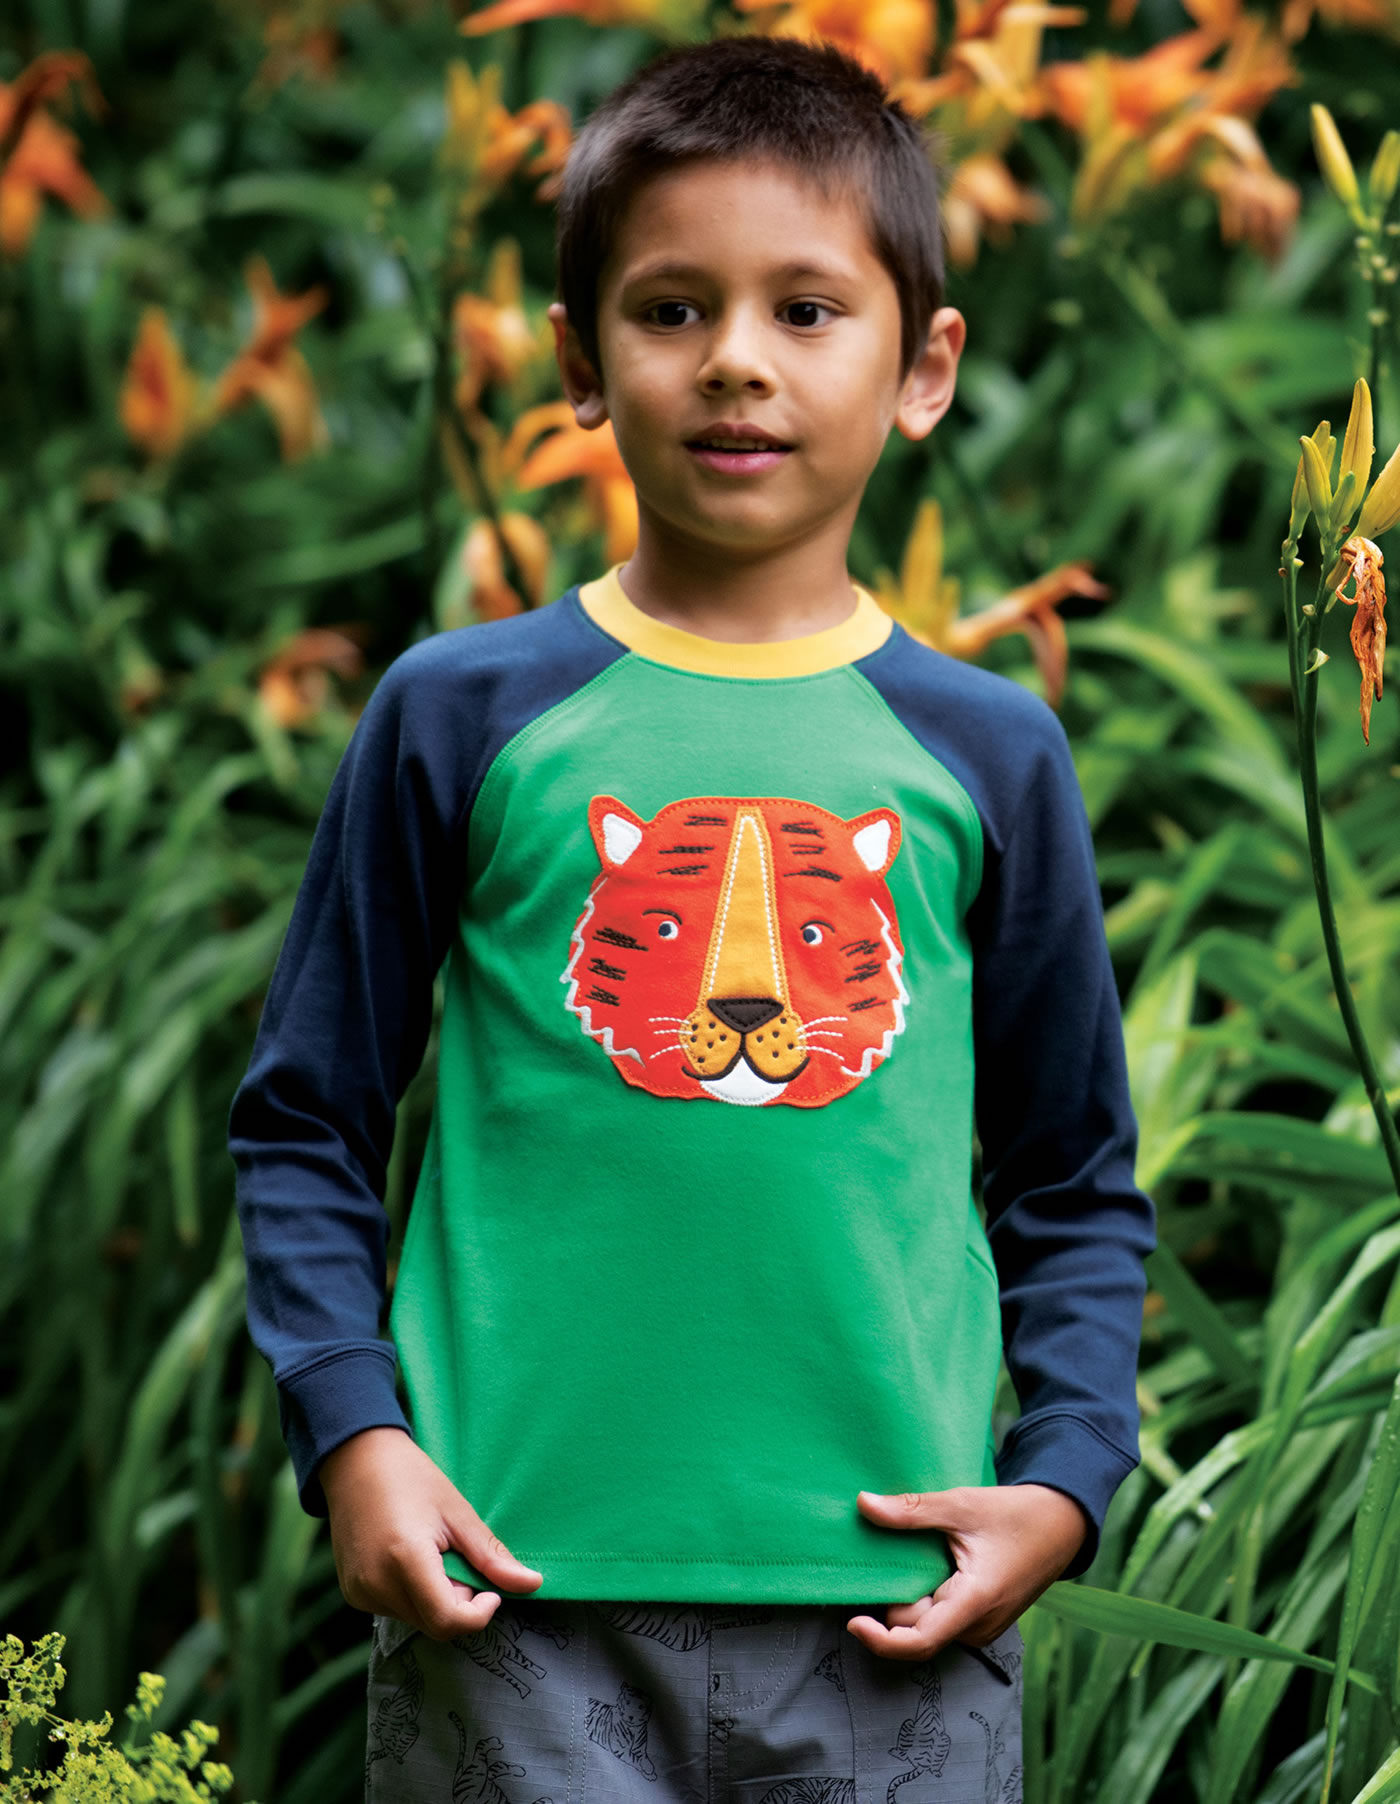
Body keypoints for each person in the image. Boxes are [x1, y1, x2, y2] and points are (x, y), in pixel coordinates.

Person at [228, 32, 1156, 1803]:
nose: (736, 360)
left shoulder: (987, 750)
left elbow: (1070, 1175)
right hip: (512, 1592)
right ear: (581, 363)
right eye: (672, 310)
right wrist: (353, 1431)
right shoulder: (461, 713)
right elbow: (306, 1114)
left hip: (900, 1602)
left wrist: (1067, 1474)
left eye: (806, 310)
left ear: (924, 367)